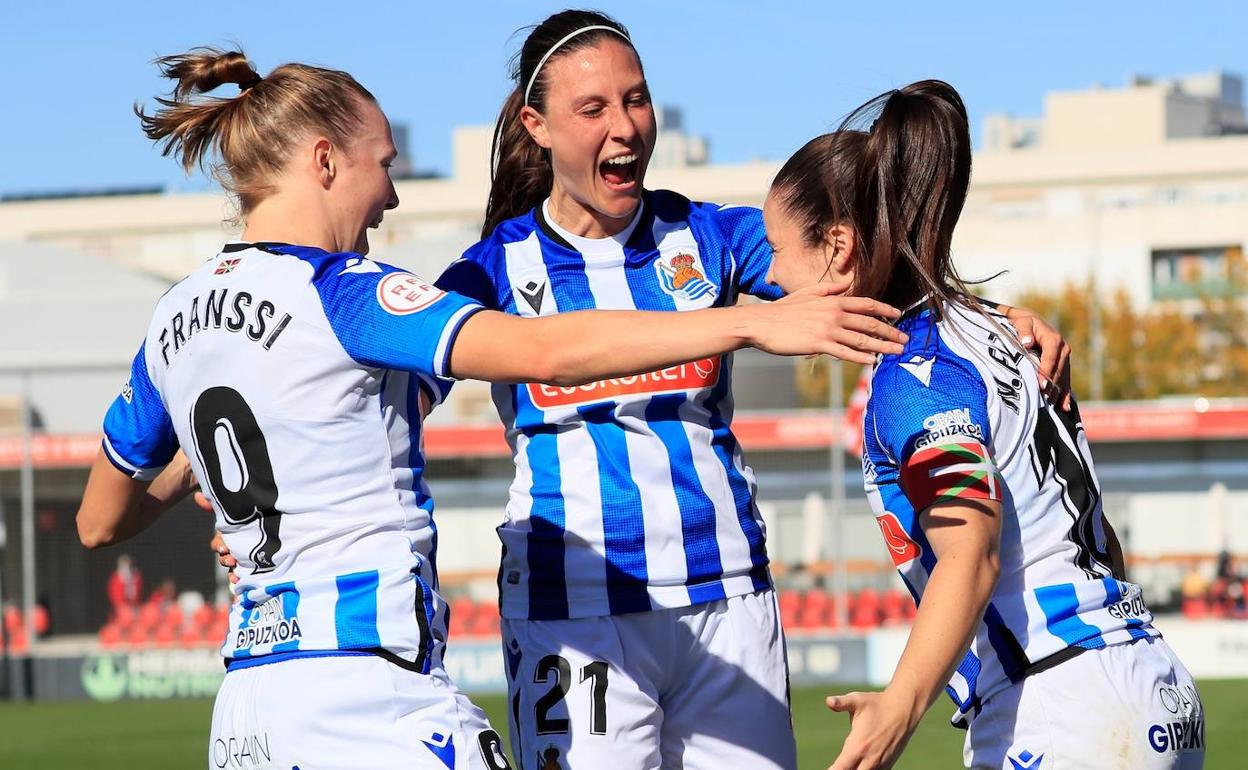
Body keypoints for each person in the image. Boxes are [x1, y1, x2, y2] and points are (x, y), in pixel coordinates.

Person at [73, 48, 896, 770]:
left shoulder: (173, 317)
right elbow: (545, 351)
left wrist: (229, 487)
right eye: (384, 163)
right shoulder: (354, 294)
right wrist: (753, 322)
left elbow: (98, 521)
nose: (391, 196)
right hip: (378, 684)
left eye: (635, 98)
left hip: (251, 702)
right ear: (325, 161)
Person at [431, 11, 1070, 770]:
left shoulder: (708, 237)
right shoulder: (488, 273)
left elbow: (862, 270)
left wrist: (988, 320)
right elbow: (378, 406)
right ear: (536, 125)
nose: (627, 128)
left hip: (730, 599)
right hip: (574, 614)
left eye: (637, 100)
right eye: (594, 109)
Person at [763, 80, 1203, 769]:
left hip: (1062, 707)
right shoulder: (1002, 333)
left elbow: (972, 550)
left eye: (776, 250)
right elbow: (1099, 540)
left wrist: (898, 709)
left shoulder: (917, 376)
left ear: (838, 245)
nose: (772, 275)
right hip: (1152, 682)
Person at [106, 554, 143, 621]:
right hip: (121, 606)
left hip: (134, 605)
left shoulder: (136, 576)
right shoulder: (116, 577)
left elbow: (138, 592)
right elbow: (114, 594)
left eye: (128, 564)